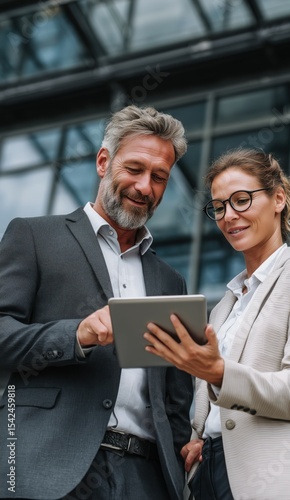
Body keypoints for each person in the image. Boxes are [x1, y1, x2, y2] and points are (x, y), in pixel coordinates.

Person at [0, 105, 194, 500]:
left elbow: (174, 397)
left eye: (159, 177)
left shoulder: (170, 280)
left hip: (146, 478)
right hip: (48, 468)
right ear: (103, 161)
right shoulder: (34, 237)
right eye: (135, 169)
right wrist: (78, 334)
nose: (145, 187)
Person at [143, 148, 290, 500]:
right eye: (219, 206)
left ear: (278, 198)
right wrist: (198, 438)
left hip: (270, 478)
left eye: (241, 200)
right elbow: (215, 407)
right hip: (207, 476)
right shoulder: (221, 309)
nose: (229, 215)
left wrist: (220, 373)